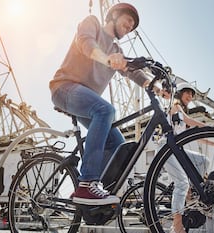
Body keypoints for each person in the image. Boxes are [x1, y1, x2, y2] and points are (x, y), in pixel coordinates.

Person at [49, 3, 152, 205]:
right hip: (64, 87)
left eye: (133, 25)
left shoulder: (117, 50)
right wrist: (107, 59)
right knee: (106, 111)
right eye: (128, 20)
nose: (130, 26)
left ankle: (90, 193)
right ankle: (87, 183)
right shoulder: (93, 23)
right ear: (113, 15)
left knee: (118, 144)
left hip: (86, 100)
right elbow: (86, 44)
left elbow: (133, 72)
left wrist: (155, 86)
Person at [162, 82, 214, 233]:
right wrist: (211, 128)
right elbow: (190, 121)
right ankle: (177, 225)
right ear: (180, 93)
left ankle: (191, 193)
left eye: (192, 95)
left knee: (204, 161)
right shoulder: (175, 106)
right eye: (188, 92)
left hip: (177, 150)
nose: (191, 96)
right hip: (166, 149)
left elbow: (196, 136)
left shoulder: (180, 115)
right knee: (181, 183)